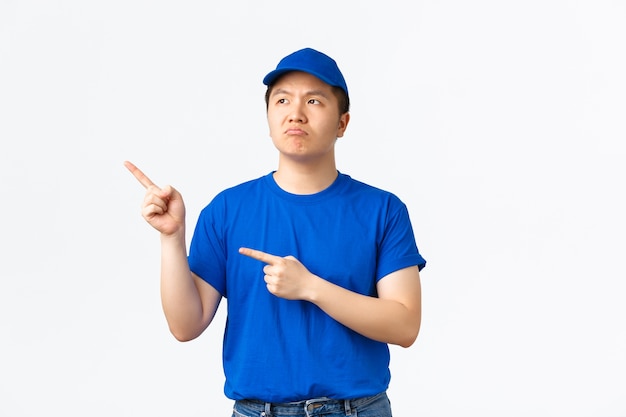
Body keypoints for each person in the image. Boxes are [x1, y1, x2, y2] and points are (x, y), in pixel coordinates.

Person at [125, 47, 426, 417]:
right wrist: (171, 238)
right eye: (282, 100)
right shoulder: (227, 210)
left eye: (314, 101)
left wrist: (311, 288)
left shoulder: (382, 210)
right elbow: (185, 326)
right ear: (268, 119)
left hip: (357, 410)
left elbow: (405, 324)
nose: (295, 113)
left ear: (342, 123)